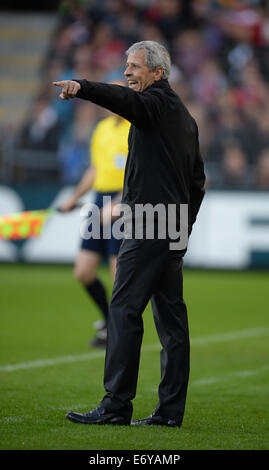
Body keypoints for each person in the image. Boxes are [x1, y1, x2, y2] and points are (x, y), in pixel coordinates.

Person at [53, 40, 205, 427]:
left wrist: (82, 87)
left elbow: (124, 101)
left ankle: (116, 406)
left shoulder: (154, 104)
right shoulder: (185, 118)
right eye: (126, 66)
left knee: (122, 310)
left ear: (157, 73)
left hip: (148, 224)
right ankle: (170, 413)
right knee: (171, 323)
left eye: (134, 66)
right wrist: (181, 227)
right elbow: (198, 181)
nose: (127, 73)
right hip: (168, 227)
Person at [60, 88, 130, 347]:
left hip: (125, 200)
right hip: (99, 198)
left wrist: (120, 203)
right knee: (83, 271)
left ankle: (121, 333)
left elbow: (140, 173)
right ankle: (109, 320)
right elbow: (95, 169)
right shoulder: (101, 130)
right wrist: (73, 197)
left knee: (118, 275)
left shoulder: (136, 128)